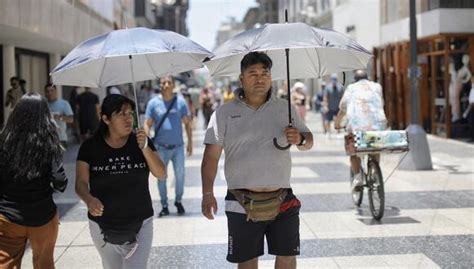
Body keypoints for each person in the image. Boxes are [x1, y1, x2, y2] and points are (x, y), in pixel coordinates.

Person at [201, 52, 313, 268]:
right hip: (240, 201)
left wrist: (300, 138)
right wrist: (207, 194)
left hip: (283, 198)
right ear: (241, 78)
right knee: (246, 260)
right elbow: (211, 158)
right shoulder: (224, 113)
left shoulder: (286, 109)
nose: (260, 78)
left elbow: (308, 142)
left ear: (271, 77)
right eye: (253, 74)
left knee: (288, 256)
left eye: (265, 73)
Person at [75, 94, 165, 269]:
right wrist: (89, 199)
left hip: (141, 223)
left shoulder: (141, 142)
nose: (128, 119)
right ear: (106, 118)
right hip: (102, 225)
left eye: (130, 113)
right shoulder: (90, 147)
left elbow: (161, 173)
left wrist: (145, 147)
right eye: (121, 114)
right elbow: (80, 183)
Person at [0, 93, 67, 268]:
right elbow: (61, 181)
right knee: (43, 262)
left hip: (8, 217)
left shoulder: (3, 141)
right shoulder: (50, 145)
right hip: (43, 216)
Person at [144, 76, 193, 217]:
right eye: (163, 83)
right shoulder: (153, 103)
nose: (166, 85)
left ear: (173, 85)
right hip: (160, 148)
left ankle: (178, 201)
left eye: (169, 83)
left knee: (180, 175)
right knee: (161, 177)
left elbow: (187, 123)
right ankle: (164, 204)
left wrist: (190, 142)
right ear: (160, 85)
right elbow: (147, 123)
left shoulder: (180, 102)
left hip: (178, 147)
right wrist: (147, 143)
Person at [335, 69, 387, 192]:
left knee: (354, 152)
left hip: (357, 128)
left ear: (355, 80)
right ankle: (374, 171)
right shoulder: (377, 87)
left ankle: (358, 177)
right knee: (374, 148)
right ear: (367, 78)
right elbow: (381, 103)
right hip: (378, 126)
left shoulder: (351, 88)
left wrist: (337, 124)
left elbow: (342, 108)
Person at [45, 84, 74, 148]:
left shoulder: (64, 104)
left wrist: (59, 117)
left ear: (56, 91)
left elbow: (71, 119)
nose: (50, 93)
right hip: (46, 139)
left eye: (52, 91)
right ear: (45, 93)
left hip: (60, 139)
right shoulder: (43, 104)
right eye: (47, 91)